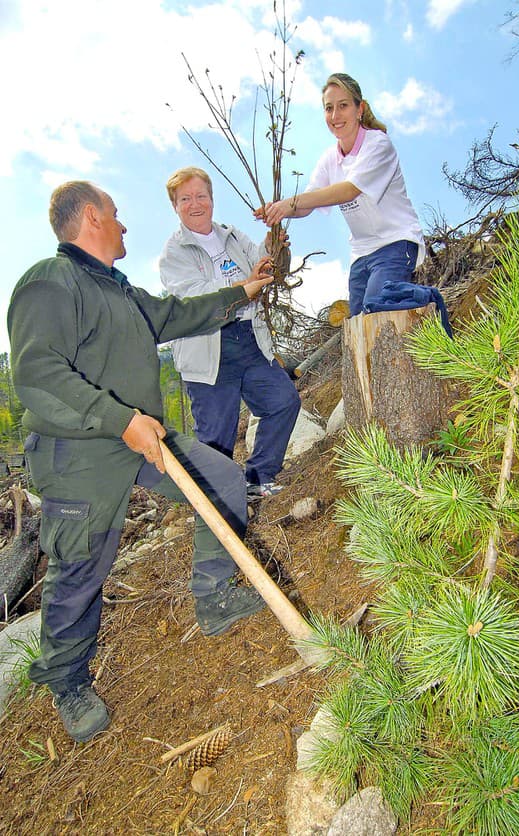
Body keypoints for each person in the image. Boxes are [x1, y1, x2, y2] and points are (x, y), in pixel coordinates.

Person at [7, 181, 275, 744]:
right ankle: (67, 681)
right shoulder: (49, 282)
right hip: (80, 451)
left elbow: (179, 314)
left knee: (222, 477)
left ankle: (215, 596)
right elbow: (37, 374)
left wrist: (243, 293)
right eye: (117, 213)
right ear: (90, 218)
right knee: (80, 570)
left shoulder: (121, 291)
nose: (125, 225)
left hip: (141, 434)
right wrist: (117, 419)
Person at [159, 167, 301, 499]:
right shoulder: (173, 253)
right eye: (185, 199)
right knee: (215, 439)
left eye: (201, 196)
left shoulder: (234, 236)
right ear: (175, 206)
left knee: (283, 401)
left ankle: (258, 478)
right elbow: (195, 298)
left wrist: (276, 249)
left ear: (212, 199)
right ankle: (218, 507)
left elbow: (268, 269)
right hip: (207, 347)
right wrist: (243, 283)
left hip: (249, 338)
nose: (196, 204)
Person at [260, 73, 425, 317]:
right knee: (357, 323)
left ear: (361, 109)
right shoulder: (329, 158)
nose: (335, 116)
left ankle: (424, 303)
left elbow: (348, 190)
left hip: (396, 243)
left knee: (377, 312)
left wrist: (289, 204)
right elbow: (308, 203)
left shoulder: (378, 145)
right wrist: (277, 209)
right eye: (329, 108)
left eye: (343, 106)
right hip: (361, 253)